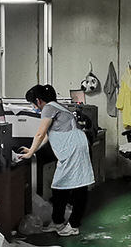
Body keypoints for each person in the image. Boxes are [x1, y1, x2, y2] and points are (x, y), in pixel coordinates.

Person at [18, 84, 95, 236]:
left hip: (73, 149)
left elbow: (40, 134)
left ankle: (73, 225)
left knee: (78, 188)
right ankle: (58, 222)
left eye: (32, 103)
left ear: (38, 101)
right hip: (76, 146)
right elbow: (48, 134)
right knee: (60, 187)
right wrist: (33, 149)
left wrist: (30, 153)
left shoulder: (48, 108)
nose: (33, 107)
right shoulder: (57, 106)